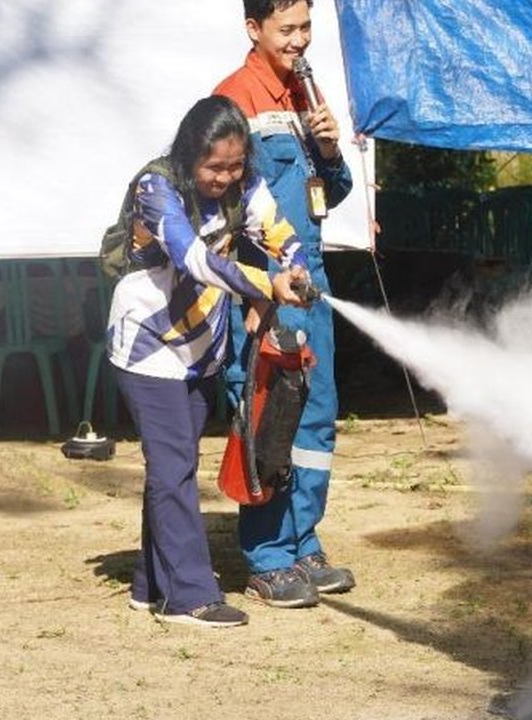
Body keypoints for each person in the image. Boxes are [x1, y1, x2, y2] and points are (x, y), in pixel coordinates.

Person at [106, 95, 311, 628]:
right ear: (188, 155)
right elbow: (193, 259)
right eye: (213, 166)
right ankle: (189, 596)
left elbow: (279, 230)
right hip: (146, 346)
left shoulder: (246, 186)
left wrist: (296, 269)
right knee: (172, 467)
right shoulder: (156, 188)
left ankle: (151, 586)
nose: (224, 177)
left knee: (176, 466)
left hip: (200, 350)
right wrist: (266, 285)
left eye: (235, 165)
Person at [214, 0, 354, 609]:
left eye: (306, 28)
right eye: (287, 29)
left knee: (316, 414)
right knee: (270, 413)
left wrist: (330, 152)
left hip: (311, 283)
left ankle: (303, 541)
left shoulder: (306, 99)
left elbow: (333, 195)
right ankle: (267, 556)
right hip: (268, 290)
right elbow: (216, 211)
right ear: (254, 29)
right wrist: (249, 288)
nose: (300, 41)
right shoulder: (233, 101)